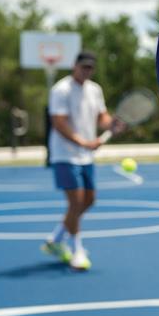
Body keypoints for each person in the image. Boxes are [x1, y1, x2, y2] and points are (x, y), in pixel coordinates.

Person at [41, 50, 120, 270]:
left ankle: (56, 239)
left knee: (89, 200)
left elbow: (102, 117)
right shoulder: (61, 90)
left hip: (86, 156)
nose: (86, 70)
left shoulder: (95, 90)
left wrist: (112, 124)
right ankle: (77, 250)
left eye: (90, 67)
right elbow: (59, 122)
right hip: (64, 155)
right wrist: (83, 142)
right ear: (74, 66)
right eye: (83, 66)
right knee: (75, 203)